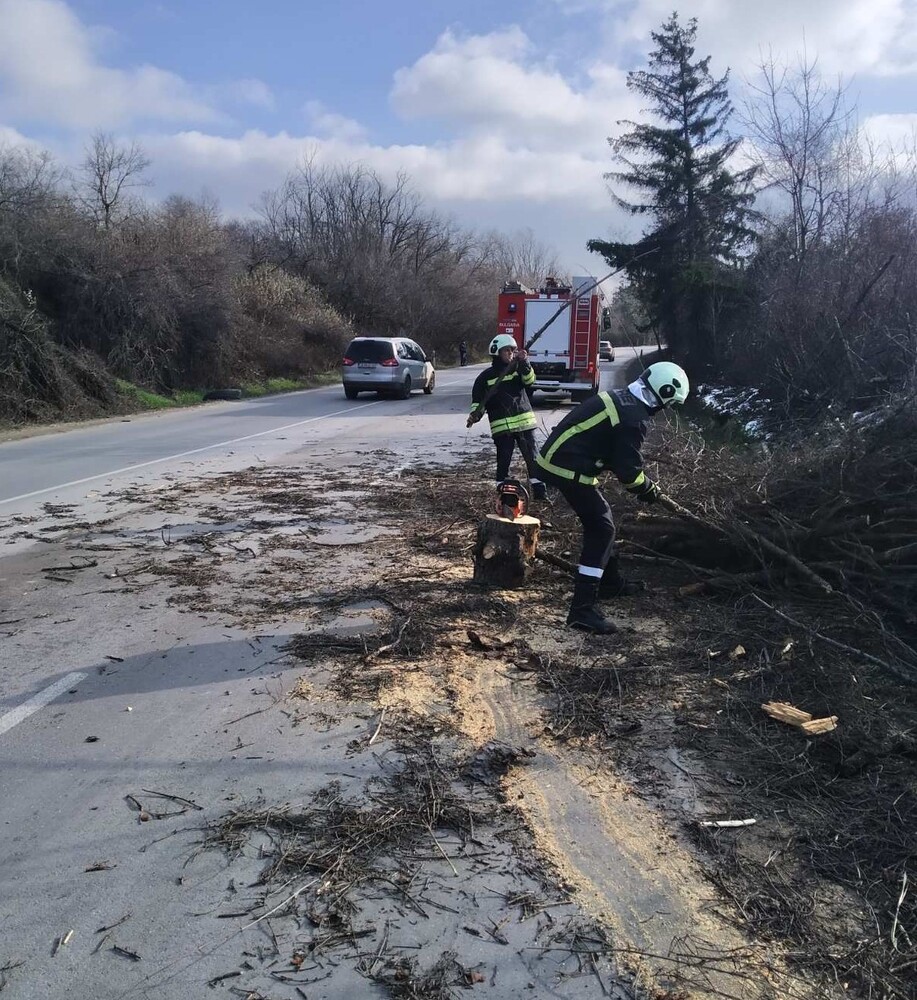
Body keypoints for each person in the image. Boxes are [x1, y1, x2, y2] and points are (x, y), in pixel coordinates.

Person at [535, 362, 689, 634]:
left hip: (560, 458)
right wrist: (648, 490)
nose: (666, 409)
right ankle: (582, 610)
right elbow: (629, 473)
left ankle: (610, 583)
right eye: (669, 403)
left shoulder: (624, 398)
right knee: (602, 529)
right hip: (566, 465)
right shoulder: (634, 418)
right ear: (664, 393)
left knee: (602, 522)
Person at [466, 334, 547, 501]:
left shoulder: (517, 368)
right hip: (502, 428)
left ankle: (540, 493)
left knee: (533, 458)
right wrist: (475, 415)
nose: (511, 353)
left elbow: (530, 380)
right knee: (503, 461)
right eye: (507, 350)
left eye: (512, 350)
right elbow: (478, 402)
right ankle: (504, 494)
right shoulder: (484, 378)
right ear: (496, 352)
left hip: (525, 424)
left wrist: (524, 362)